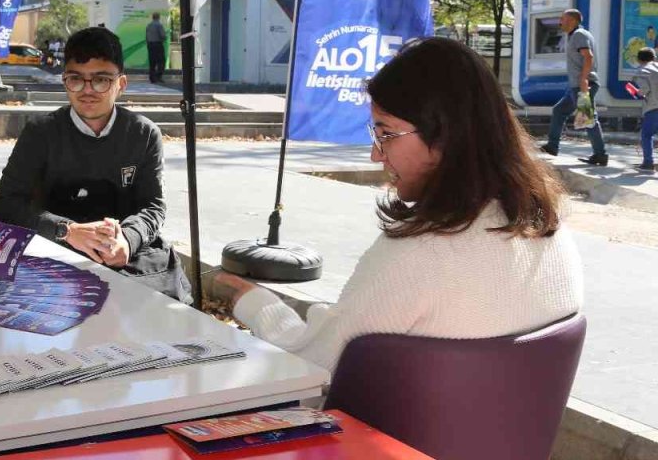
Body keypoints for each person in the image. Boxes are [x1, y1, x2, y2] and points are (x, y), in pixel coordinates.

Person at [217, 37, 583, 374]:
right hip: (506, 444)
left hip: (384, 442)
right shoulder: (551, 232)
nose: (376, 154)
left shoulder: (425, 251)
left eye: (387, 133)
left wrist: (259, 305)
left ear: (447, 134)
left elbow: (314, 365)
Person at [0, 26, 192, 303]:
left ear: (121, 84)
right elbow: (5, 204)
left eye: (101, 80)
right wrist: (66, 230)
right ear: (64, 81)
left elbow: (153, 205)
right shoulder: (41, 133)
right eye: (76, 79)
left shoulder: (143, 134)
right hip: (56, 254)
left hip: (127, 257)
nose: (87, 90)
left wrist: (128, 239)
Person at [541, 8, 608, 166]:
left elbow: (588, 57)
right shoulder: (576, 35)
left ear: (572, 21)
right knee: (559, 110)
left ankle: (600, 155)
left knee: (589, 120)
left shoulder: (579, 35)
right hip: (576, 85)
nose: (560, 22)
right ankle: (552, 146)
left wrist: (583, 79)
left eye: (562, 19)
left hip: (583, 84)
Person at [631, 47, 658, 171]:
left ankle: (648, 162)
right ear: (653, 57)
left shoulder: (642, 70)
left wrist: (635, 92)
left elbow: (644, 90)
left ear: (638, 59)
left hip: (653, 107)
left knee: (646, 134)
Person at [145, 12, 167, 84]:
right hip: (158, 44)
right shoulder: (159, 25)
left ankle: (152, 78)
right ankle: (158, 76)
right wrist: (164, 39)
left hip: (150, 45)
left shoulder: (148, 25)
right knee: (161, 61)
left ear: (152, 17)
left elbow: (147, 36)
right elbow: (163, 35)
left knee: (152, 62)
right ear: (158, 17)